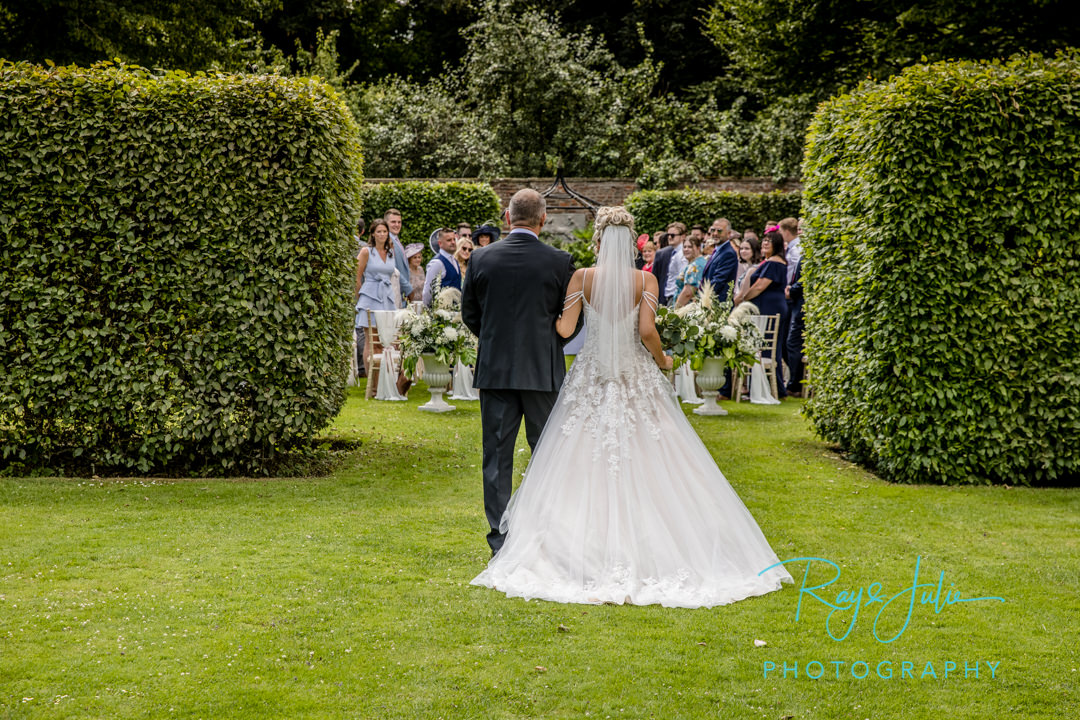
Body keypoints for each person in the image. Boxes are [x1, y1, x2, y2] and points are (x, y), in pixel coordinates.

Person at [471, 206, 793, 607]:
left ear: (600, 240)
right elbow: (646, 330)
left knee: (577, 460)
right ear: (631, 240)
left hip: (591, 378)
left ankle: (568, 544)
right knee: (653, 457)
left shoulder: (582, 278)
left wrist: (543, 320)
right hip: (633, 377)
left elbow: (566, 329)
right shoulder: (646, 279)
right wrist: (662, 360)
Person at [461, 189, 579, 556]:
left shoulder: (480, 258)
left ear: (508, 219)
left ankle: (500, 538)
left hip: (495, 371)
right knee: (548, 453)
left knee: (496, 456)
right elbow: (571, 323)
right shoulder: (560, 262)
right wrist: (546, 345)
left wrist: (496, 340)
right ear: (543, 220)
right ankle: (546, 533)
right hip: (542, 371)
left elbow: (469, 314)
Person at [735, 230, 788, 399]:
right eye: (764, 241)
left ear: (777, 245)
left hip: (770, 307)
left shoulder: (774, 263)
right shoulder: (770, 261)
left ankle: (771, 389)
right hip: (767, 306)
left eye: (769, 241)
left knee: (766, 347)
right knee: (768, 347)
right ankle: (773, 388)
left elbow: (759, 286)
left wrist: (744, 299)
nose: (765, 244)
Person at [355, 219, 402, 372]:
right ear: (373, 234)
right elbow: (357, 276)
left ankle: (384, 378)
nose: (382, 234)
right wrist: (361, 297)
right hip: (370, 298)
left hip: (387, 298)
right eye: (379, 231)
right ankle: (372, 382)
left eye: (384, 231)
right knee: (371, 340)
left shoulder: (390, 252)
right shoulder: (366, 251)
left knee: (386, 340)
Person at [422, 227, 460, 306]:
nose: (453, 242)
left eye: (454, 239)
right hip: (442, 312)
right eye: (449, 240)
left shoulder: (455, 260)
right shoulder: (437, 263)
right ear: (440, 243)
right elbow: (428, 291)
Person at [382, 209, 414, 301]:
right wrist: (408, 289)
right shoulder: (387, 241)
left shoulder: (396, 240)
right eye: (393, 222)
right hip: (393, 293)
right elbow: (393, 269)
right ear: (385, 223)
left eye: (399, 222)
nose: (397, 225)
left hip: (401, 294)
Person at [674, 235, 706, 307]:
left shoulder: (696, 265)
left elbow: (688, 293)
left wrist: (675, 310)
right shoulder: (697, 262)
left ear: (698, 248)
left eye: (690, 247)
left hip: (689, 309)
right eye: (684, 247)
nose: (686, 249)